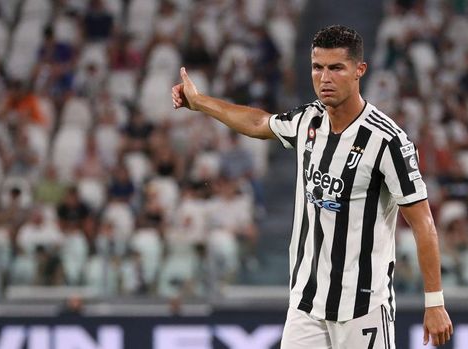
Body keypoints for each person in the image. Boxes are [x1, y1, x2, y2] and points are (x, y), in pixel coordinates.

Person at [171, 25, 453, 348]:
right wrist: (200, 102)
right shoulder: (308, 121)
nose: (325, 78)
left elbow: (424, 223)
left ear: (360, 70)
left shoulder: (388, 141)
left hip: (363, 309)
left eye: (336, 68)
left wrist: (434, 301)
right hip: (306, 306)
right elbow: (258, 123)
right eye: (318, 68)